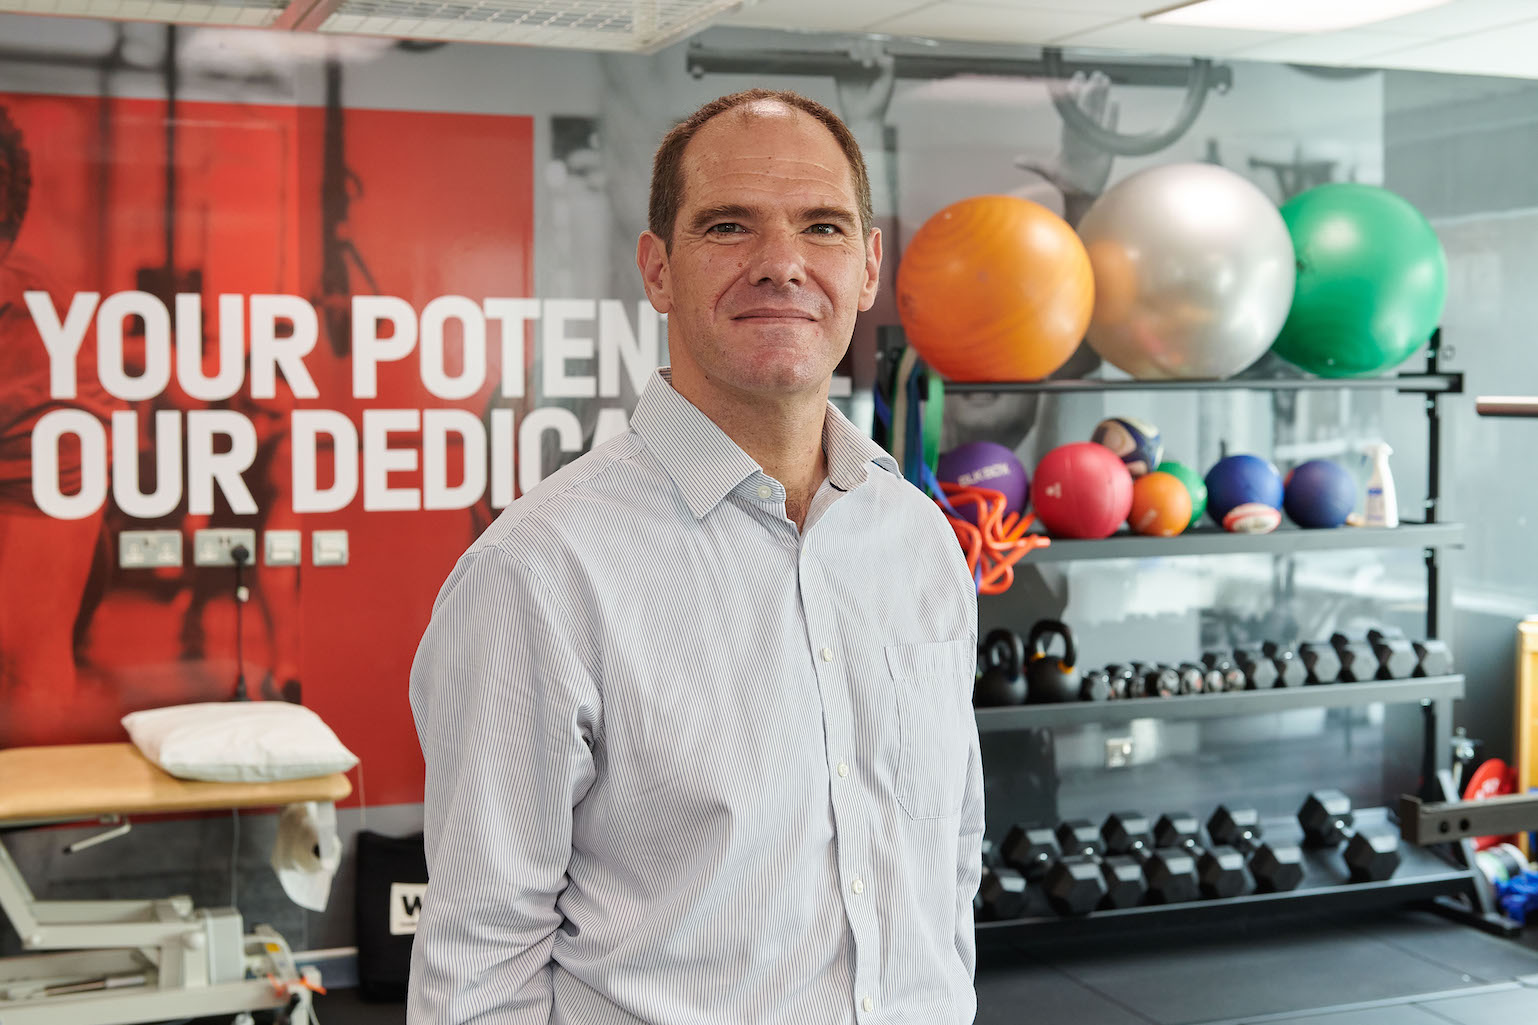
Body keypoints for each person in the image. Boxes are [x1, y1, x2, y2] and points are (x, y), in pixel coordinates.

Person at [408, 89, 982, 1023]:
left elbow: (948, 858)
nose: (783, 264)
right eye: (729, 226)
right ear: (658, 269)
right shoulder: (541, 571)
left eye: (824, 226)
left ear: (869, 265)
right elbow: (478, 965)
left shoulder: (918, 541)